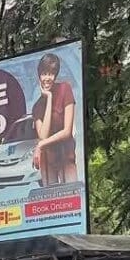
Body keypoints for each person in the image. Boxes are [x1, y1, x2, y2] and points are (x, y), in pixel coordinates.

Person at [32, 52, 77, 186]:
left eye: (51, 74)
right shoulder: (37, 107)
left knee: (72, 196)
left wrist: (40, 145)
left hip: (66, 156)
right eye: (44, 73)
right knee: (50, 202)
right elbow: (43, 135)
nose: (47, 78)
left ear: (55, 75)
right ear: (39, 75)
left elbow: (67, 131)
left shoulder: (65, 89)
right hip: (48, 161)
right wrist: (49, 99)